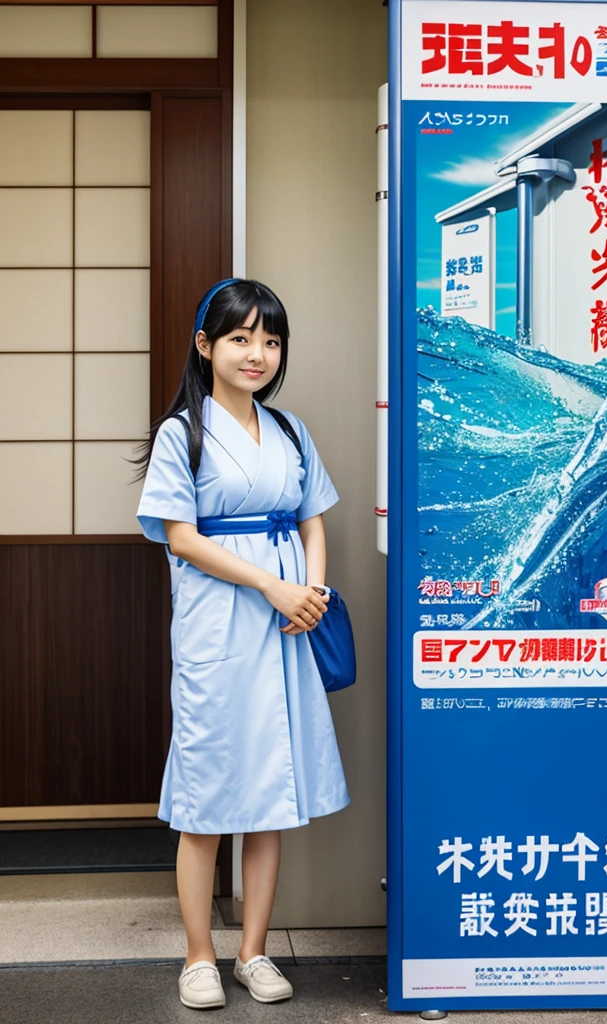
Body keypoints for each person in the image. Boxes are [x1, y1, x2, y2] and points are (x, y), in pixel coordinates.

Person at [135, 278, 350, 1010]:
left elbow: (313, 518)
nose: (258, 353)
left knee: (269, 790)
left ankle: (253, 953)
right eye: (240, 338)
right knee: (207, 793)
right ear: (206, 346)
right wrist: (272, 587)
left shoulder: (289, 431)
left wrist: (311, 594)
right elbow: (182, 536)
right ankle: (200, 956)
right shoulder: (182, 434)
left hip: (289, 621)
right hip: (221, 623)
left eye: (271, 340)